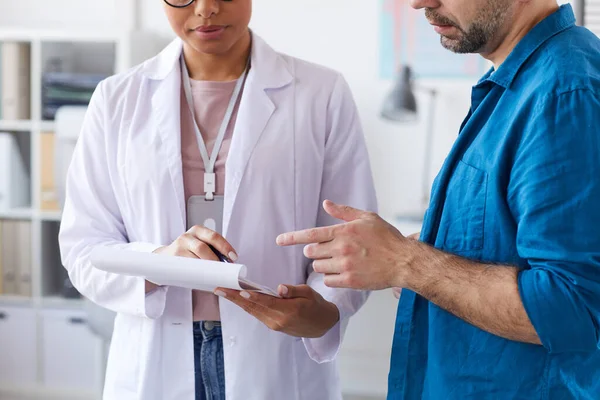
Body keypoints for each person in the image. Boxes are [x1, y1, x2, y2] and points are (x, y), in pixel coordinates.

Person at [277, 1, 600, 399]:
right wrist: (413, 253)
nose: (420, 3)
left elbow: (573, 308)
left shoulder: (564, 91)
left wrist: (407, 263)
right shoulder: (514, 85)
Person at [58, 0, 377, 399]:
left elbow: (350, 232)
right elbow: (83, 247)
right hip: (156, 352)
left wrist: (326, 310)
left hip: (276, 355)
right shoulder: (117, 98)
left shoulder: (320, 92)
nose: (206, 9)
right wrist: (159, 263)